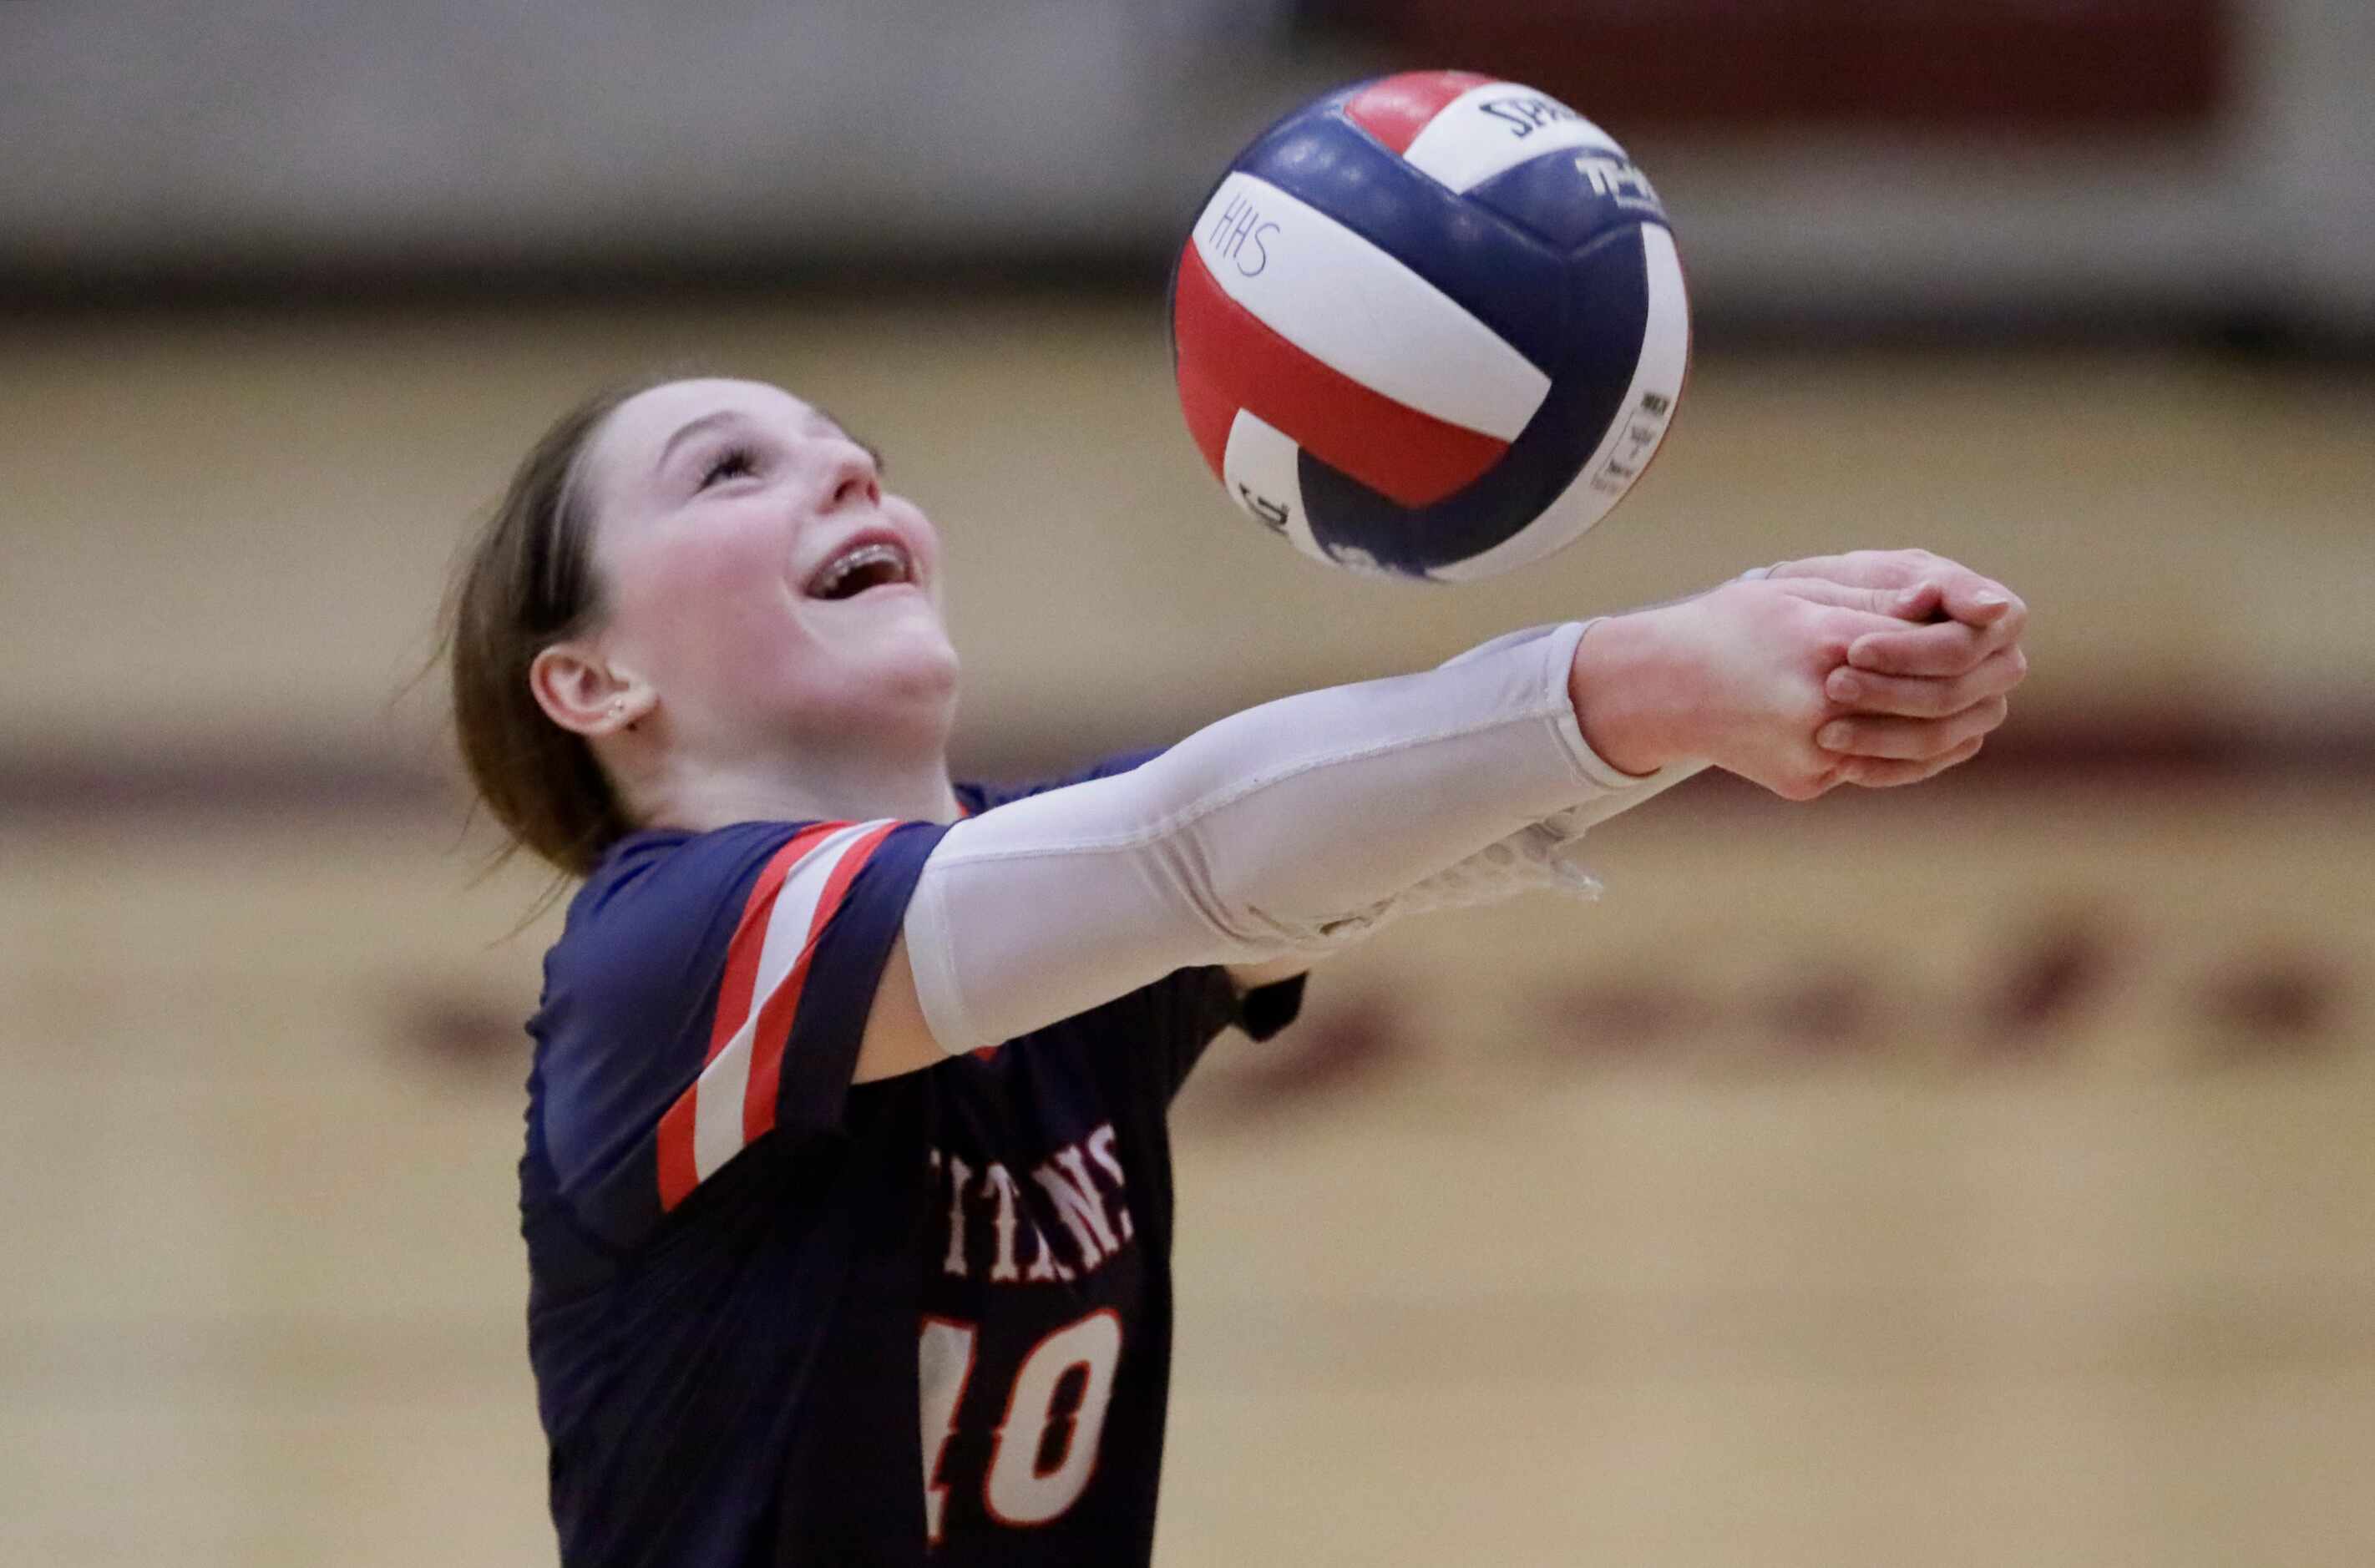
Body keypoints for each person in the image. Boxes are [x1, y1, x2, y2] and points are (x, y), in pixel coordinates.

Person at [443, 376, 2028, 1566]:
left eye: (849, 450)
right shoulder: (668, 958)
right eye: (730, 470)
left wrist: (1784, 660)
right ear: (594, 680)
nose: (846, 467)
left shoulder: (1061, 896)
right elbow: (1194, 849)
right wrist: (1650, 671)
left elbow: (1330, 853)